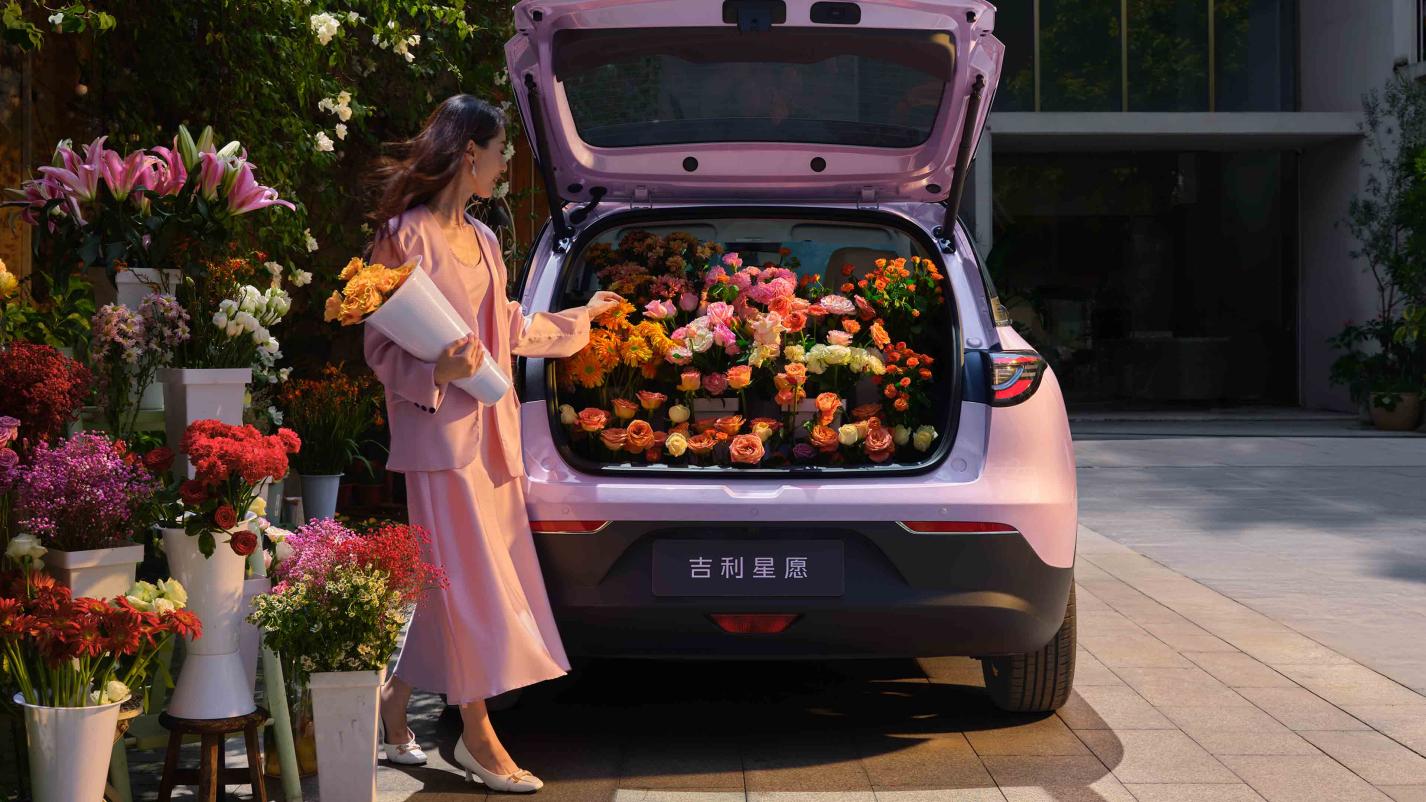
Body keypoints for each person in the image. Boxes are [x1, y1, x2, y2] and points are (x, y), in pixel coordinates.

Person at [363, 94, 622, 793]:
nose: (507, 165)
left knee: (451, 580)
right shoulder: (403, 235)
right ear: (470, 151)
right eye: (502, 152)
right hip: (438, 438)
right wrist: (433, 372)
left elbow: (504, 327)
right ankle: (476, 737)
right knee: (470, 580)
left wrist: (578, 320)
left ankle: (392, 704)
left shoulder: (482, 238)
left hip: (495, 434)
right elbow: (378, 345)